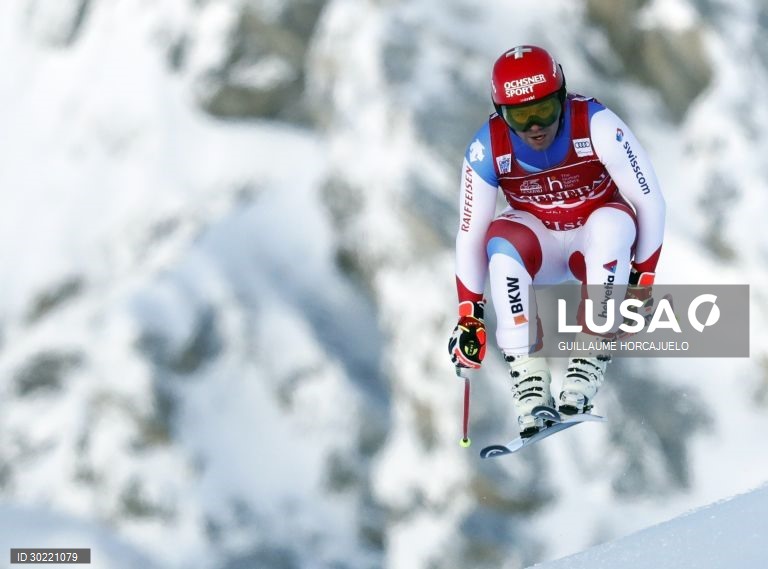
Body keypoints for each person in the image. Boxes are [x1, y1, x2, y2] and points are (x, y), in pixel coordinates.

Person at [448, 45, 665, 437]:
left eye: (544, 110)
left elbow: (649, 200)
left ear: (562, 96)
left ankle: (588, 360)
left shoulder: (596, 124)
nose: (534, 126)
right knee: (499, 240)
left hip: (594, 244)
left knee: (613, 221)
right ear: (500, 114)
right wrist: (469, 315)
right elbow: (469, 233)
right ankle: (530, 385)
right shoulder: (488, 147)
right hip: (541, 246)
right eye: (519, 116)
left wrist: (642, 280)